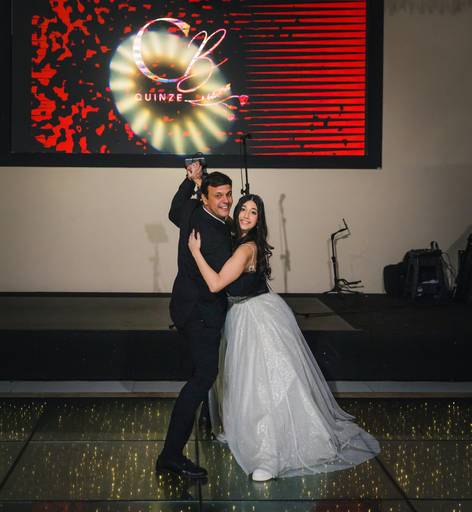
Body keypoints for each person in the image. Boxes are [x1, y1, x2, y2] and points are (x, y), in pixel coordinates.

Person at [188, 194, 380, 482]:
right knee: (254, 381)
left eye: (253, 212)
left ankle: (269, 454)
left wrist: (195, 252)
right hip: (249, 313)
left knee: (266, 383)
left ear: (259, 220)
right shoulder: (238, 241)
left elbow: (216, 284)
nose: (246, 215)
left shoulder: (246, 249)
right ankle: (260, 439)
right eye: (243, 209)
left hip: (256, 317)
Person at [156, 167, 233, 479]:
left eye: (228, 194)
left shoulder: (190, 209)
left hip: (183, 306)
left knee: (201, 371)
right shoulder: (217, 236)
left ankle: (205, 417)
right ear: (205, 198)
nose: (226, 201)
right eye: (218, 196)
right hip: (201, 313)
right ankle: (171, 455)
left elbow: (174, 209)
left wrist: (190, 180)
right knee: (204, 376)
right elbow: (223, 282)